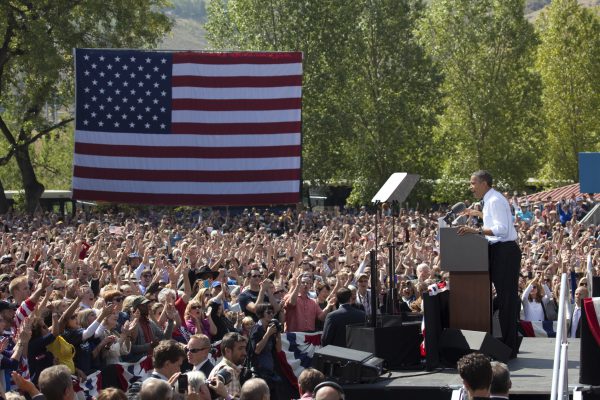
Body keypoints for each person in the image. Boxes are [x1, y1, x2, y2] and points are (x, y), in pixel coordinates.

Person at [459, 170, 521, 357]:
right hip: (499, 251)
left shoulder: (494, 200)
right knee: (504, 299)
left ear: (484, 183)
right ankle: (507, 344)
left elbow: (501, 230)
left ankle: (509, 348)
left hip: (504, 252)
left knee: (506, 301)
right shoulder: (491, 200)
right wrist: (477, 213)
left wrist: (474, 230)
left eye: (473, 183)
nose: (471, 187)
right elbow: (495, 220)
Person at [209, 332, 248, 399]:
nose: (245, 353)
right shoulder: (229, 371)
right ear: (227, 351)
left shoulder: (222, 368)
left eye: (245, 348)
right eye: (240, 348)